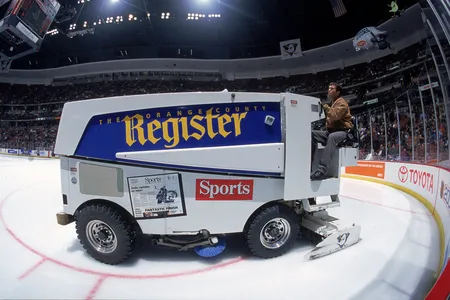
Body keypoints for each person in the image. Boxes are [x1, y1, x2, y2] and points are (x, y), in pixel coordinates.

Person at [310, 82, 353, 180]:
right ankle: (309, 166)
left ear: (338, 92)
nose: (329, 90)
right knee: (311, 134)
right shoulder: (332, 103)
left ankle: (322, 170)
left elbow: (335, 115)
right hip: (331, 131)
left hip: (344, 132)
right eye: (328, 88)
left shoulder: (342, 102)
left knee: (332, 137)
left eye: (332, 89)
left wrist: (325, 107)